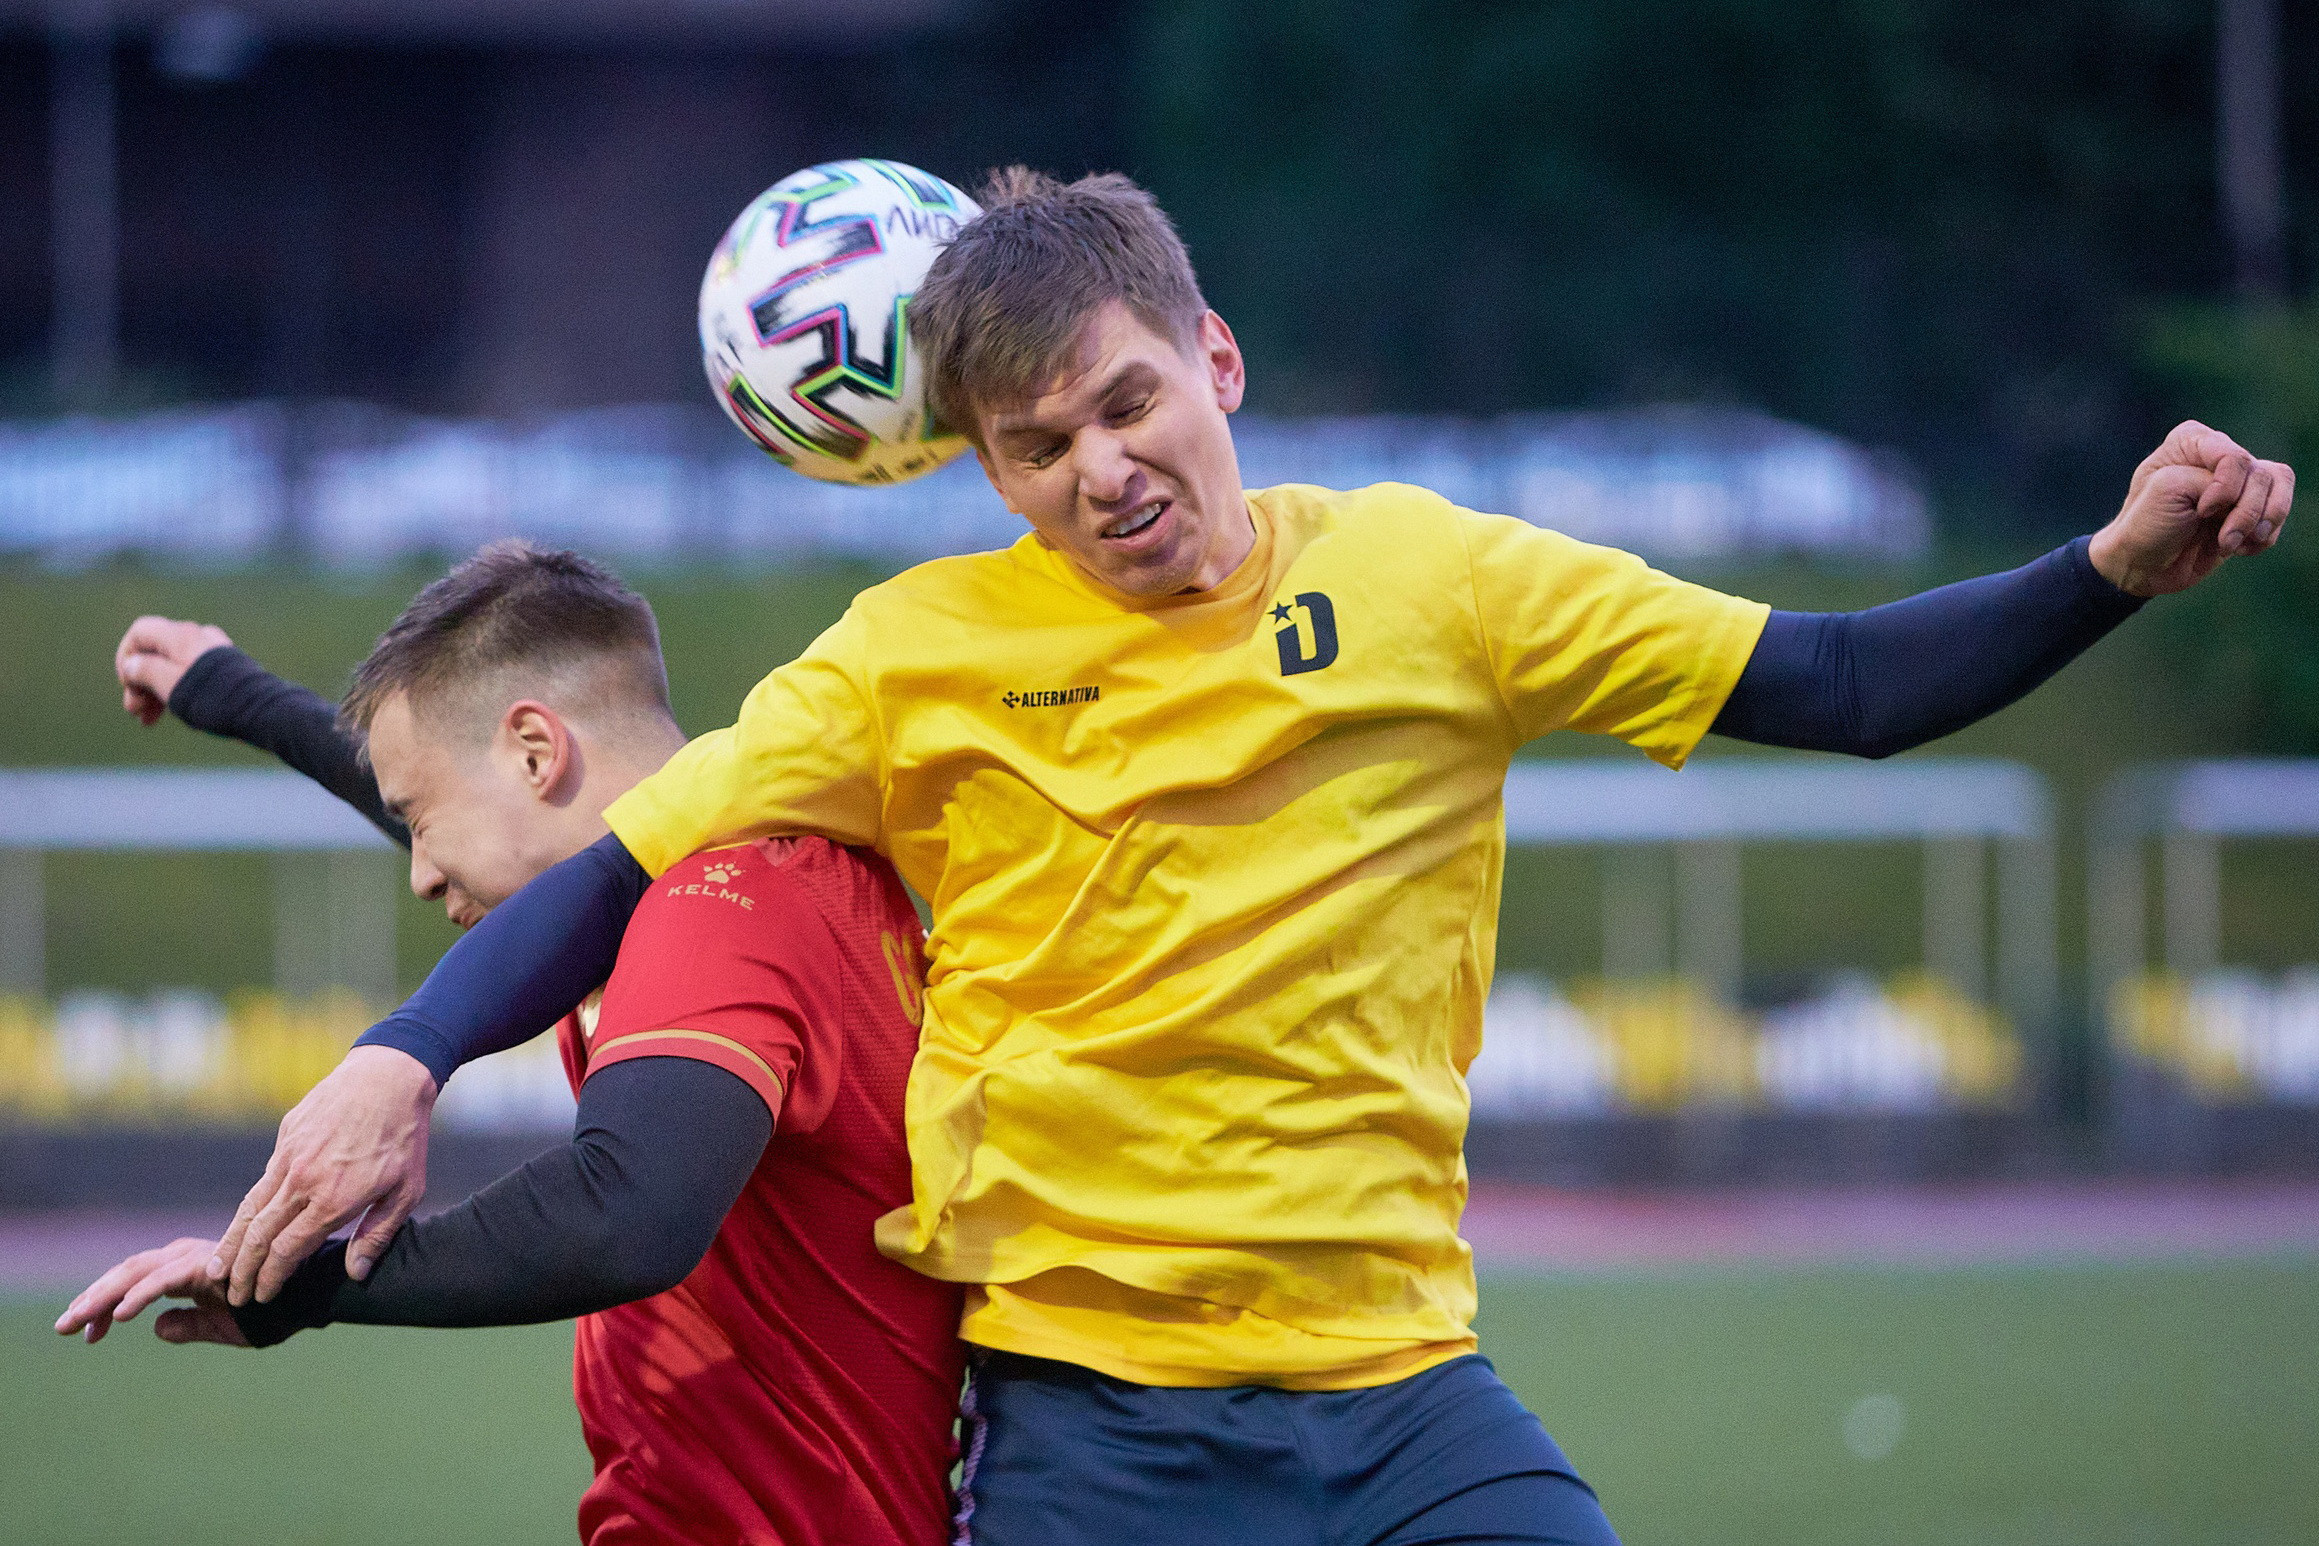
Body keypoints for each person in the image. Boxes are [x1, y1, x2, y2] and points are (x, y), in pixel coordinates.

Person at [200, 170, 2293, 1545]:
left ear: (1212, 364)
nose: (1103, 468)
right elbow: (602, 863)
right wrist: (403, 1058)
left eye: (1129, 404)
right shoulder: (909, 657)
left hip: (1404, 1393)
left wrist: (2105, 569)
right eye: (1038, 445)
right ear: (985, 468)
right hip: (1093, 1428)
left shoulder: (1433, 579)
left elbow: (1836, 677)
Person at [60, 543, 965, 1546]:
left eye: (418, 818)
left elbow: (623, 1213)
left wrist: (306, 1284)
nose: (417, 870)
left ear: (538, 752)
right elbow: (513, 864)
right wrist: (236, 694)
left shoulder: (718, 908)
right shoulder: (733, 882)